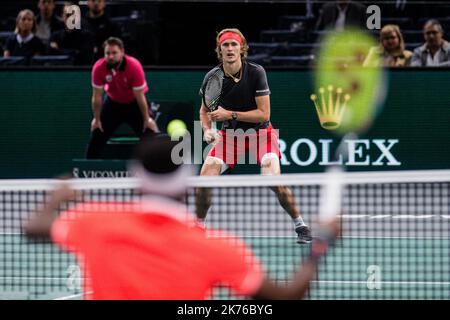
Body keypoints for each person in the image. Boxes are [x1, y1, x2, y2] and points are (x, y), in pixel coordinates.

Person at [24, 134, 339, 300]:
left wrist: (57, 198)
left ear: (137, 178)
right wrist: (320, 244)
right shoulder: (218, 247)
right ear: (188, 186)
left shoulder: (91, 221)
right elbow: (286, 297)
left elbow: (33, 228)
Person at [195, 28, 312, 244]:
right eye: (225, 45)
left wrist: (228, 114)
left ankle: (301, 225)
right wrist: (207, 130)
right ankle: (198, 227)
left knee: (272, 179)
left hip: (261, 135)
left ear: (242, 48)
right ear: (219, 50)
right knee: (203, 180)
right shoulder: (213, 77)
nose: (230, 48)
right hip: (230, 137)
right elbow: (204, 111)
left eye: (234, 44)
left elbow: (264, 113)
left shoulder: (256, 72)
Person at [85, 37, 158, 159]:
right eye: (107, 53)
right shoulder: (98, 68)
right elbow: (97, 96)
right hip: (113, 103)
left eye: (114, 53)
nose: (111, 56)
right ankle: (87, 171)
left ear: (122, 53)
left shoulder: (134, 66)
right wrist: (96, 119)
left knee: (149, 132)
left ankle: (159, 167)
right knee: (97, 132)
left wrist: (146, 119)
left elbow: (139, 96)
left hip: (134, 103)